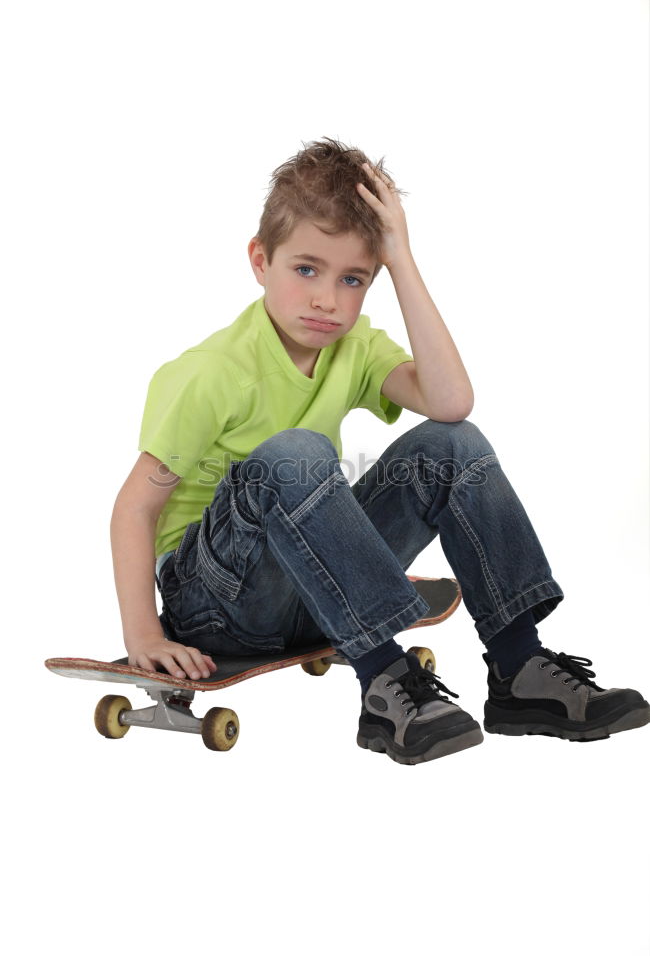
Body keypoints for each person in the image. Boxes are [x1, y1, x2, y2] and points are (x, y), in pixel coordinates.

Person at [110, 136, 649, 765]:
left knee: (452, 445)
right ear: (261, 260)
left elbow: (451, 402)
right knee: (296, 453)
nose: (326, 299)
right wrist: (143, 633)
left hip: (315, 590)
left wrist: (402, 259)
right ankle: (384, 681)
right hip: (216, 602)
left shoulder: (355, 346)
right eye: (306, 269)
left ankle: (518, 668)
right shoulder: (209, 373)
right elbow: (134, 509)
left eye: (353, 279)